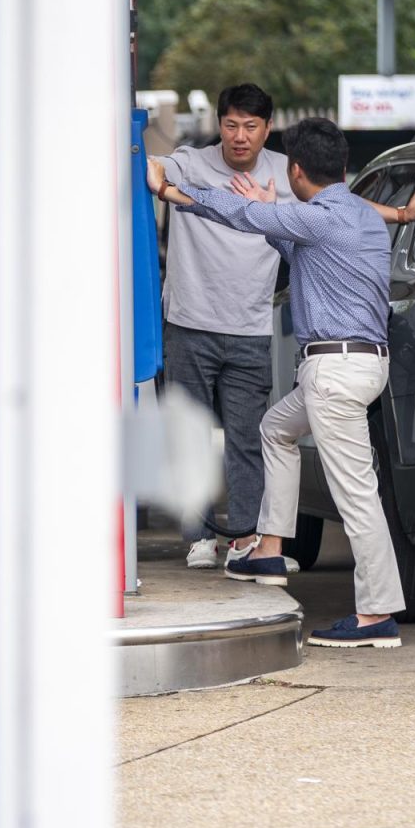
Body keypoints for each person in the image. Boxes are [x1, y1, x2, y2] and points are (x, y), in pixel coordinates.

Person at [148, 118, 408, 648]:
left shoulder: (320, 218)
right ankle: (268, 547)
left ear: (295, 169)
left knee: (359, 497)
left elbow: (242, 213)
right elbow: (300, 252)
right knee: (275, 429)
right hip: (357, 367)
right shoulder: (357, 216)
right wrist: (273, 215)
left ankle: (377, 614)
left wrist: (176, 192)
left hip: (335, 371)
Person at [149, 84, 292, 572]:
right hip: (188, 321)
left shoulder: (283, 173)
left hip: (251, 326)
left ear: (266, 129)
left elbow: (327, 214)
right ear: (220, 124)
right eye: (231, 124)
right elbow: (155, 171)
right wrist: (156, 171)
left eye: (251, 126)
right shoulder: (193, 161)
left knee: (247, 438)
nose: (239, 136)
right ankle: (199, 537)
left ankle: (245, 537)